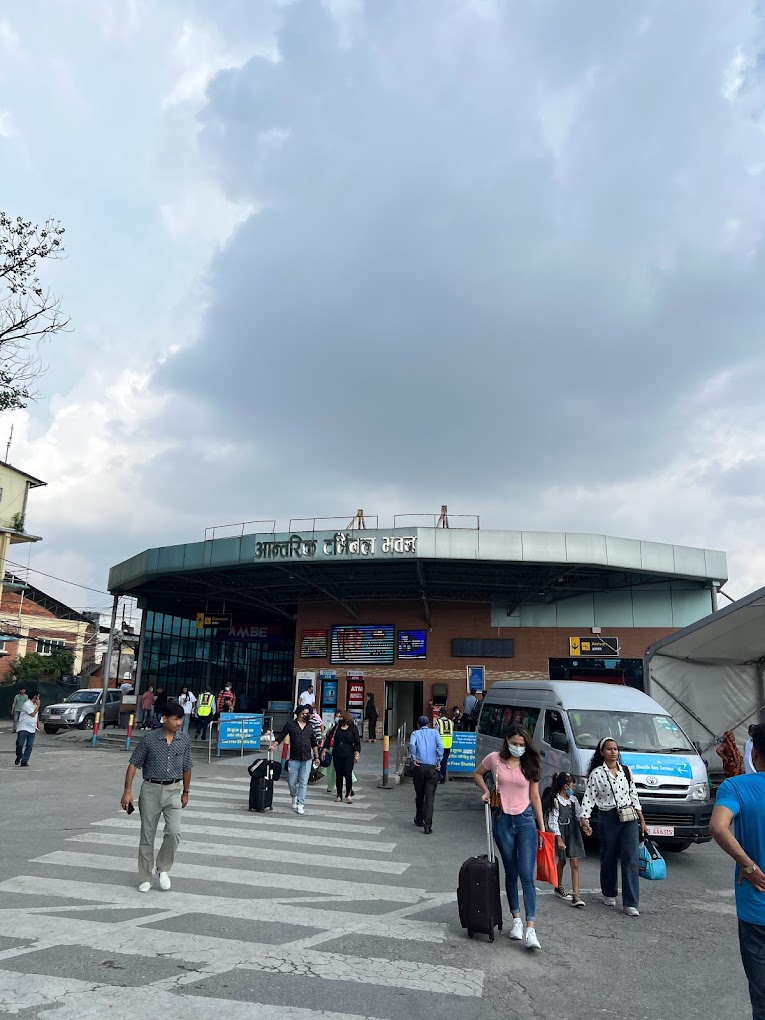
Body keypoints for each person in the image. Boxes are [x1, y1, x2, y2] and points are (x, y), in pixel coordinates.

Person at [473, 724, 546, 950]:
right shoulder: (495, 759)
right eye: (514, 743)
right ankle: (516, 920)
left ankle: (531, 928)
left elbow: (535, 797)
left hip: (525, 820)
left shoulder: (531, 763)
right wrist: (485, 790)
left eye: (522, 744)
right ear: (507, 741)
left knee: (526, 874)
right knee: (511, 870)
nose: (518, 747)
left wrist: (541, 828)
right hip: (502, 819)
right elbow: (477, 773)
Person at [711, 722, 765, 1019]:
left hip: (757, 908)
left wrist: (748, 864)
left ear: (754, 753)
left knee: (761, 998)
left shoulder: (736, 786)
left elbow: (718, 827)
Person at [121, 700, 192, 893]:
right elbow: (133, 764)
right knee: (147, 835)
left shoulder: (184, 740)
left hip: (174, 790)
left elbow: (187, 767)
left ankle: (163, 868)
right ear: (164, 719)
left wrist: (186, 792)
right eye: (175, 719)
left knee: (174, 832)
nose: (178, 723)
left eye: (181, 719)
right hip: (150, 790)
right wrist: (127, 791)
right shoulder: (149, 740)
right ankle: (145, 877)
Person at [580, 737, 646, 917]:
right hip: (608, 816)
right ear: (602, 752)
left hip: (628, 816)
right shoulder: (597, 773)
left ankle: (631, 902)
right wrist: (584, 817)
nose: (613, 752)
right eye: (609, 749)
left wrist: (641, 818)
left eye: (615, 749)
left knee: (630, 857)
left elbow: (633, 794)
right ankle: (609, 892)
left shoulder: (626, 770)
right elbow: (589, 797)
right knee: (608, 855)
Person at [543, 771, 586, 908]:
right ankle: (558, 885)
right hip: (562, 832)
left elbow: (580, 814)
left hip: (573, 832)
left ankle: (576, 894)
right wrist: (559, 839)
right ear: (565, 786)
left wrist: (585, 824)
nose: (574, 787)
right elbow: (553, 821)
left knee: (575, 862)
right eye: (572, 784)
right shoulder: (556, 800)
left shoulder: (574, 800)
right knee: (562, 861)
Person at [269, 704, 319, 815]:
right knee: (291, 782)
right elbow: (281, 736)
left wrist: (317, 757)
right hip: (294, 758)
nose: (307, 715)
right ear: (299, 714)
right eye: (304, 713)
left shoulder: (310, 726)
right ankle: (294, 795)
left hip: (307, 758)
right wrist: (274, 745)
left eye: (307, 713)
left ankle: (300, 803)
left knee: (303, 782)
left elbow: (314, 743)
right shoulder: (291, 725)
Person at [409, 716, 443, 835]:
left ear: (418, 725)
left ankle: (419, 818)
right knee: (429, 797)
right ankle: (428, 825)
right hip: (432, 768)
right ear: (428, 724)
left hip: (420, 767)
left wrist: (413, 758)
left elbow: (412, 745)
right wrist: (439, 760)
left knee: (419, 794)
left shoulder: (415, 733)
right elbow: (440, 746)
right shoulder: (435, 733)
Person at [330, 710, 361, 803]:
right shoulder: (336, 727)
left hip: (348, 753)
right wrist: (324, 750)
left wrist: (357, 754)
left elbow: (357, 742)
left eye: (340, 717)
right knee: (338, 774)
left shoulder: (353, 728)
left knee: (348, 774)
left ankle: (348, 794)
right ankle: (339, 794)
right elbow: (329, 738)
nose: (338, 718)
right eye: (338, 717)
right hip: (337, 753)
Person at [15, 690, 40, 767]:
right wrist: (38, 706)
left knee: (29, 746)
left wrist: (38, 724)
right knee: (20, 744)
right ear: (35, 697)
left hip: (32, 728)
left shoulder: (35, 705)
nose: (39, 699)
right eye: (38, 697)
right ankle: (19, 756)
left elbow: (36, 715)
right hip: (23, 727)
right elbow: (33, 714)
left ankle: (24, 761)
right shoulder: (26, 704)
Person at [435, 707, 454, 783]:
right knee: (444, 761)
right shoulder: (450, 722)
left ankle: (439, 776)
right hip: (448, 744)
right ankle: (443, 778)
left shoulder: (438, 722)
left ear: (440, 713)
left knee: (438, 761)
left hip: (440, 744)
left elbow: (436, 734)